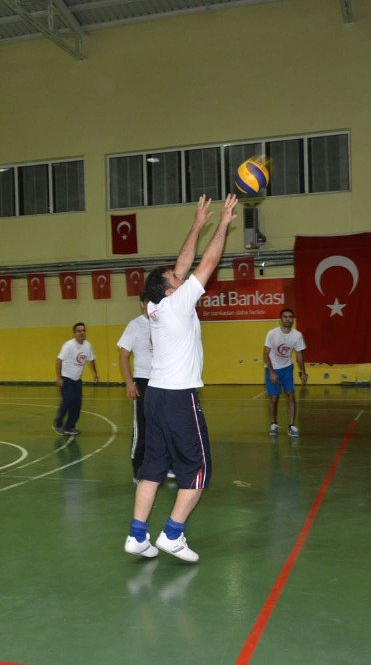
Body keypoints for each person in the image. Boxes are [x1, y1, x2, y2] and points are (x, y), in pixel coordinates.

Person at [124, 193, 238, 563]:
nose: (181, 274)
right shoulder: (177, 303)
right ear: (170, 288)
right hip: (177, 397)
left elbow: (184, 262)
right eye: (176, 276)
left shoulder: (156, 305)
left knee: (153, 468)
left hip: (155, 395)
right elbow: (208, 261)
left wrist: (197, 224)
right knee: (198, 469)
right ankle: (172, 534)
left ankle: (137, 535)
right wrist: (222, 224)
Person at [117, 295, 152, 480]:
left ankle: (166, 465)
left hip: (163, 381)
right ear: (142, 304)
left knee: (165, 426)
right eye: (148, 301)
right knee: (142, 427)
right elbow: (123, 355)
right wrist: (130, 382)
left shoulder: (164, 322)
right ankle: (138, 468)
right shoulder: (135, 325)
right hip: (143, 381)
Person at [263, 307, 308, 437]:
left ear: (293, 319)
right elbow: (265, 354)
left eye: (290, 317)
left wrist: (303, 372)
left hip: (287, 368)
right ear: (280, 319)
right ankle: (273, 424)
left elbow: (299, 355)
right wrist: (271, 372)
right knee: (273, 398)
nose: (287, 319)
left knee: (291, 396)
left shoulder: (297, 335)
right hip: (272, 368)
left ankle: (291, 426)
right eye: (285, 317)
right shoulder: (272, 334)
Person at [53, 322, 98, 436]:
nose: (81, 333)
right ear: (74, 333)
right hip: (66, 378)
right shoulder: (68, 345)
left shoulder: (88, 345)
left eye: (83, 330)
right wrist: (59, 377)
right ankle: (57, 424)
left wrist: (95, 373)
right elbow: (58, 360)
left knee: (77, 404)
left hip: (77, 380)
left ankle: (70, 426)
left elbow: (91, 360)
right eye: (79, 331)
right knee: (67, 400)